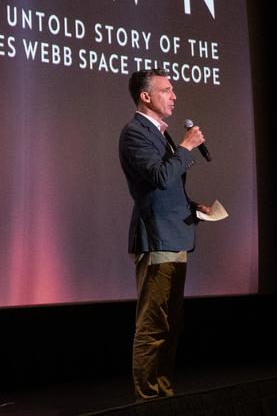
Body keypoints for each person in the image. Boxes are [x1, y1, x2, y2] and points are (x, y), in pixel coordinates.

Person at [119, 68, 210, 400]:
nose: (174, 96)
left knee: (170, 325)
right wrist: (185, 148)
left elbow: (166, 186)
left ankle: (164, 391)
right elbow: (158, 176)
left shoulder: (160, 133)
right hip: (156, 239)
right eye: (167, 90)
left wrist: (191, 206)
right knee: (153, 325)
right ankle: (148, 398)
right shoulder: (135, 133)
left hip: (175, 235)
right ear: (146, 96)